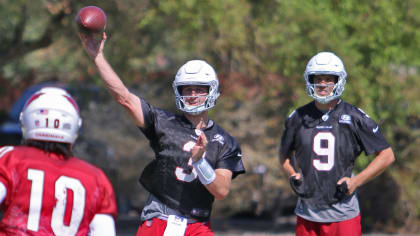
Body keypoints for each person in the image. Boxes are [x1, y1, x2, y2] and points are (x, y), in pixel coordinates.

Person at [79, 32, 245, 236]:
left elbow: (221, 190)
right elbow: (124, 97)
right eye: (187, 89)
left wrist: (200, 162)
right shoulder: (164, 122)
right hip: (160, 219)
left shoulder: (225, 141)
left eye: (199, 89)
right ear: (179, 91)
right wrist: (98, 57)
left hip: (198, 225)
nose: (192, 95)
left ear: (211, 91)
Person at [279, 52, 395, 236]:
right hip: (307, 213)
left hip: (343, 213)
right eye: (318, 78)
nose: (323, 84)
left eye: (328, 79)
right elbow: (284, 155)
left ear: (338, 81)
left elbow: (387, 155)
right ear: (310, 80)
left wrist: (356, 181)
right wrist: (293, 174)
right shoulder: (297, 117)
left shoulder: (355, 117)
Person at [0, 87, 118, 235]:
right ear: (75, 127)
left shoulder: (10, 158)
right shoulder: (96, 178)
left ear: (26, 121)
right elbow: (104, 232)